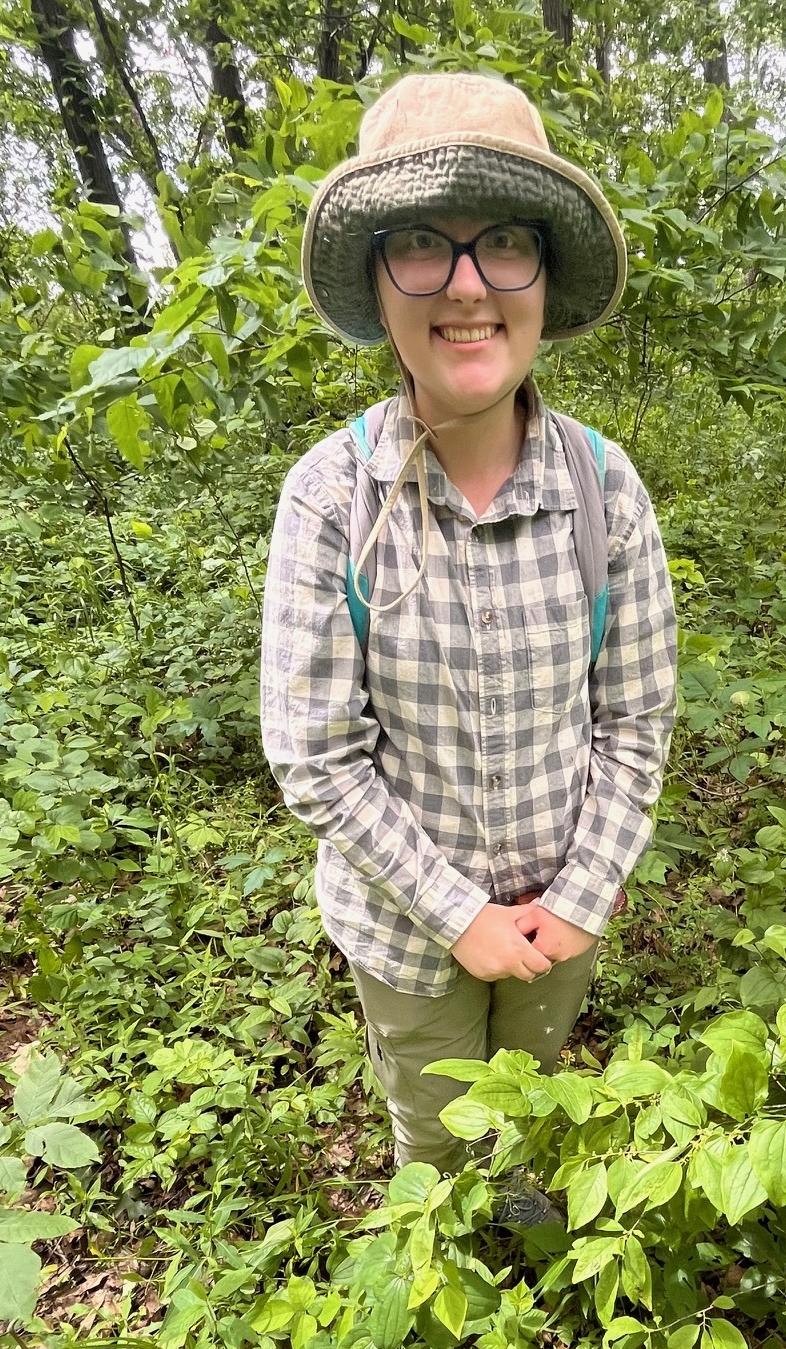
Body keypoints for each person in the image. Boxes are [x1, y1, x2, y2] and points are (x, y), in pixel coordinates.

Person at [261, 70, 678, 1174]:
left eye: (501, 242)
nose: (464, 286)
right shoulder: (331, 497)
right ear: (377, 283)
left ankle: (524, 1250)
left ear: (541, 273)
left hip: (562, 920)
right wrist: (456, 915)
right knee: (436, 1127)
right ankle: (439, 1285)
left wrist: (582, 899)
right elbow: (314, 753)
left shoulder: (605, 487)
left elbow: (635, 718)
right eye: (419, 246)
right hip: (401, 931)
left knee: (527, 1116)